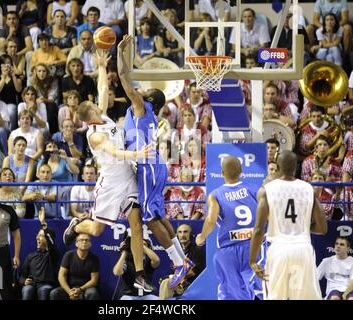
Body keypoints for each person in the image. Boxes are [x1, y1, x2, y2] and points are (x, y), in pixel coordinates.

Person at [62, 50, 155, 292]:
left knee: (136, 226)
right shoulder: (94, 135)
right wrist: (137, 155)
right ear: (89, 114)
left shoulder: (102, 115)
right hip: (110, 183)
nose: (98, 104)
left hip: (127, 179)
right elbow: (115, 153)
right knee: (96, 230)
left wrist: (102, 67)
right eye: (94, 106)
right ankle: (77, 224)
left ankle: (140, 274)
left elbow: (103, 89)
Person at [118, 35, 193, 289]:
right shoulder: (143, 112)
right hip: (155, 165)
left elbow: (124, 81)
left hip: (148, 166)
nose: (142, 89)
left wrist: (120, 53)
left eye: (146, 90)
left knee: (150, 218)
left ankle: (177, 262)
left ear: (150, 98)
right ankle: (184, 260)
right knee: (158, 216)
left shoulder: (142, 107)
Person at [249, 150, 328, 300]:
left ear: (277, 167)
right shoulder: (309, 189)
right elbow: (322, 229)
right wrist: (305, 227)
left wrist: (252, 260)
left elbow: (259, 229)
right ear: (296, 167)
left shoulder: (268, 190)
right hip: (303, 249)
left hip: (279, 250)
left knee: (275, 297)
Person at [195, 156, 263, 300]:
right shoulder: (256, 190)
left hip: (229, 249)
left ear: (222, 173)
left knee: (231, 294)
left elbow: (211, 221)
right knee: (263, 289)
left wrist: (201, 237)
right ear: (241, 171)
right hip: (254, 246)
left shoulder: (215, 195)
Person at [20, 207, 59, 300]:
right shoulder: (31, 255)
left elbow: (51, 244)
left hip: (46, 285)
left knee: (43, 290)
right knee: (27, 290)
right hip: (32, 285)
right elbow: (22, 275)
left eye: (41, 236)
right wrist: (24, 281)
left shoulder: (52, 254)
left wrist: (43, 224)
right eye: (38, 235)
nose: (38, 238)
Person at [160, 224, 206, 299]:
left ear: (191, 235)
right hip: (180, 284)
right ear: (176, 235)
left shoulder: (197, 250)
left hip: (193, 285)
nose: (182, 235)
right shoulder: (176, 251)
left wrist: (170, 276)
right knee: (164, 282)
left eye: (185, 232)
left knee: (166, 283)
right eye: (180, 232)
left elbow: (191, 273)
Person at [50, 233, 100, 300]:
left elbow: (94, 280)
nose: (84, 242)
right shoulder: (68, 255)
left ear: (90, 244)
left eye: (86, 240)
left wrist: (80, 289)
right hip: (70, 287)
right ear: (76, 243)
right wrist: (69, 292)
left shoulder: (94, 258)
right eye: (81, 240)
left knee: (93, 293)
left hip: (85, 288)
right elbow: (61, 276)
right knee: (55, 293)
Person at [113, 234, 160, 299]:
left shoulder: (148, 262)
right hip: (129, 296)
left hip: (146, 296)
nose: (139, 246)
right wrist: (124, 252)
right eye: (137, 245)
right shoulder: (127, 261)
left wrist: (140, 244)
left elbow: (156, 260)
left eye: (144, 244)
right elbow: (117, 272)